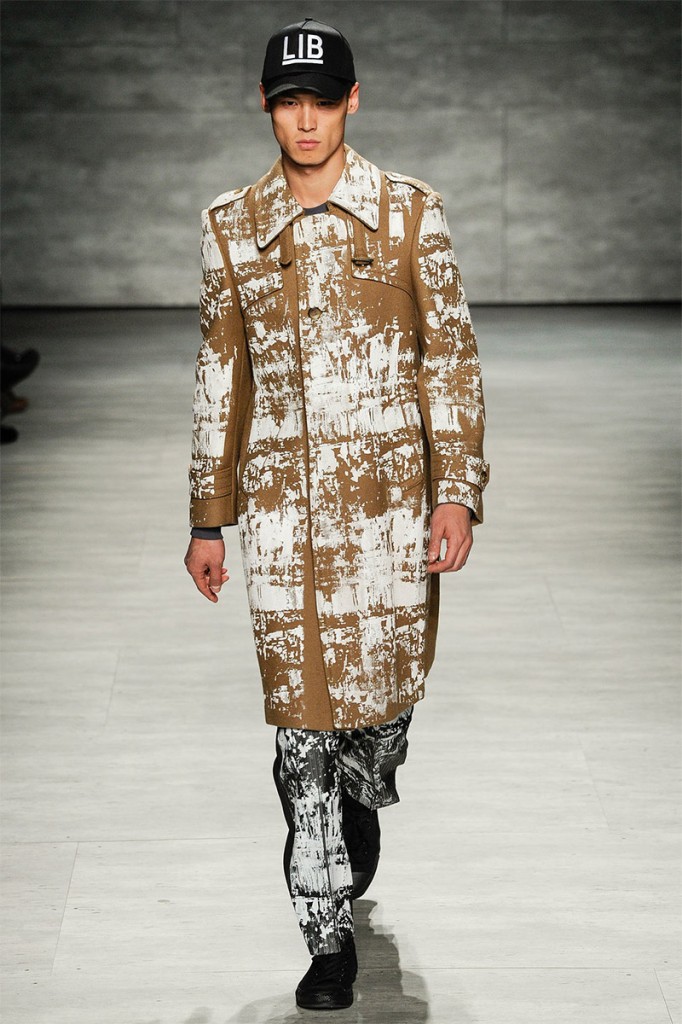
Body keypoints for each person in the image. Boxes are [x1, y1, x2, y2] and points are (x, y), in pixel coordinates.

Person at [184, 18, 489, 1011]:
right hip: (281, 524)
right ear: (266, 106)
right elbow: (220, 374)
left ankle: (364, 793)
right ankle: (326, 944)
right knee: (299, 737)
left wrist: (455, 491)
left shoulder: (408, 216)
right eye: (289, 103)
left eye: (323, 101)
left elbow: (448, 358)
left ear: (353, 100)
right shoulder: (232, 226)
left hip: (390, 522)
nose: (306, 121)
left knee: (377, 722)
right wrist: (208, 517)